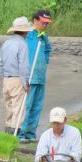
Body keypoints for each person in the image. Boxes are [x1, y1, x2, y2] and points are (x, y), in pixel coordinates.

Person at [19, 9, 52, 143]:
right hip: (29, 77)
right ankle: (21, 133)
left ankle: (31, 133)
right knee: (27, 105)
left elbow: (48, 50)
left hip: (40, 76)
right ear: (35, 20)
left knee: (37, 106)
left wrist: (45, 62)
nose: (45, 25)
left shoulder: (44, 37)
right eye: (43, 22)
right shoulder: (28, 35)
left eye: (47, 23)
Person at [0, 16, 33, 135]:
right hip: (17, 79)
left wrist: (2, 78)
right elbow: (23, 67)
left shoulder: (6, 43)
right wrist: (26, 83)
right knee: (18, 110)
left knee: (9, 109)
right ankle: (14, 137)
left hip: (6, 79)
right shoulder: (22, 44)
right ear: (25, 31)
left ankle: (7, 134)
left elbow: (0, 62)